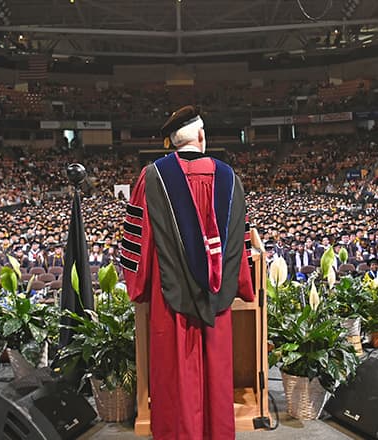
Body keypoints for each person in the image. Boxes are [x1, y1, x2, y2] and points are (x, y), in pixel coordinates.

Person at [121, 106, 255, 440]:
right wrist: (240, 287)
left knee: (176, 380)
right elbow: (241, 242)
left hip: (170, 304)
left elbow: (140, 241)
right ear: (201, 136)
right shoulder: (229, 178)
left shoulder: (152, 177)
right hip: (217, 302)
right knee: (215, 377)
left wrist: (139, 287)